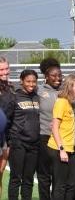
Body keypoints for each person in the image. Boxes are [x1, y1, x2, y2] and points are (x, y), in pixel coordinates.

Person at [47, 74, 75, 200]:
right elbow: (55, 127)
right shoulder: (61, 102)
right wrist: (61, 149)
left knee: (73, 183)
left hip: (68, 148)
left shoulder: (70, 102)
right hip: (58, 148)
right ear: (69, 87)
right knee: (60, 185)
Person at [7, 70, 40, 199]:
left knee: (29, 179)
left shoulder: (37, 97)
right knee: (16, 178)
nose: (31, 84)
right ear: (21, 81)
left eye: (34, 81)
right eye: (28, 81)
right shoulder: (14, 97)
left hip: (34, 144)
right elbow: (7, 120)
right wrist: (10, 141)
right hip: (18, 142)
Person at [37, 58, 62, 200]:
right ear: (46, 76)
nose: (57, 78)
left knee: (59, 174)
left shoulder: (65, 90)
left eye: (59, 75)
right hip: (44, 137)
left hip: (61, 139)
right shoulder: (39, 90)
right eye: (53, 75)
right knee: (44, 174)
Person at [0, 56, 15, 199]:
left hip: (7, 138)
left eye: (6, 68)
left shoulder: (11, 88)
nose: (5, 72)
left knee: (1, 172)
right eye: (1, 69)